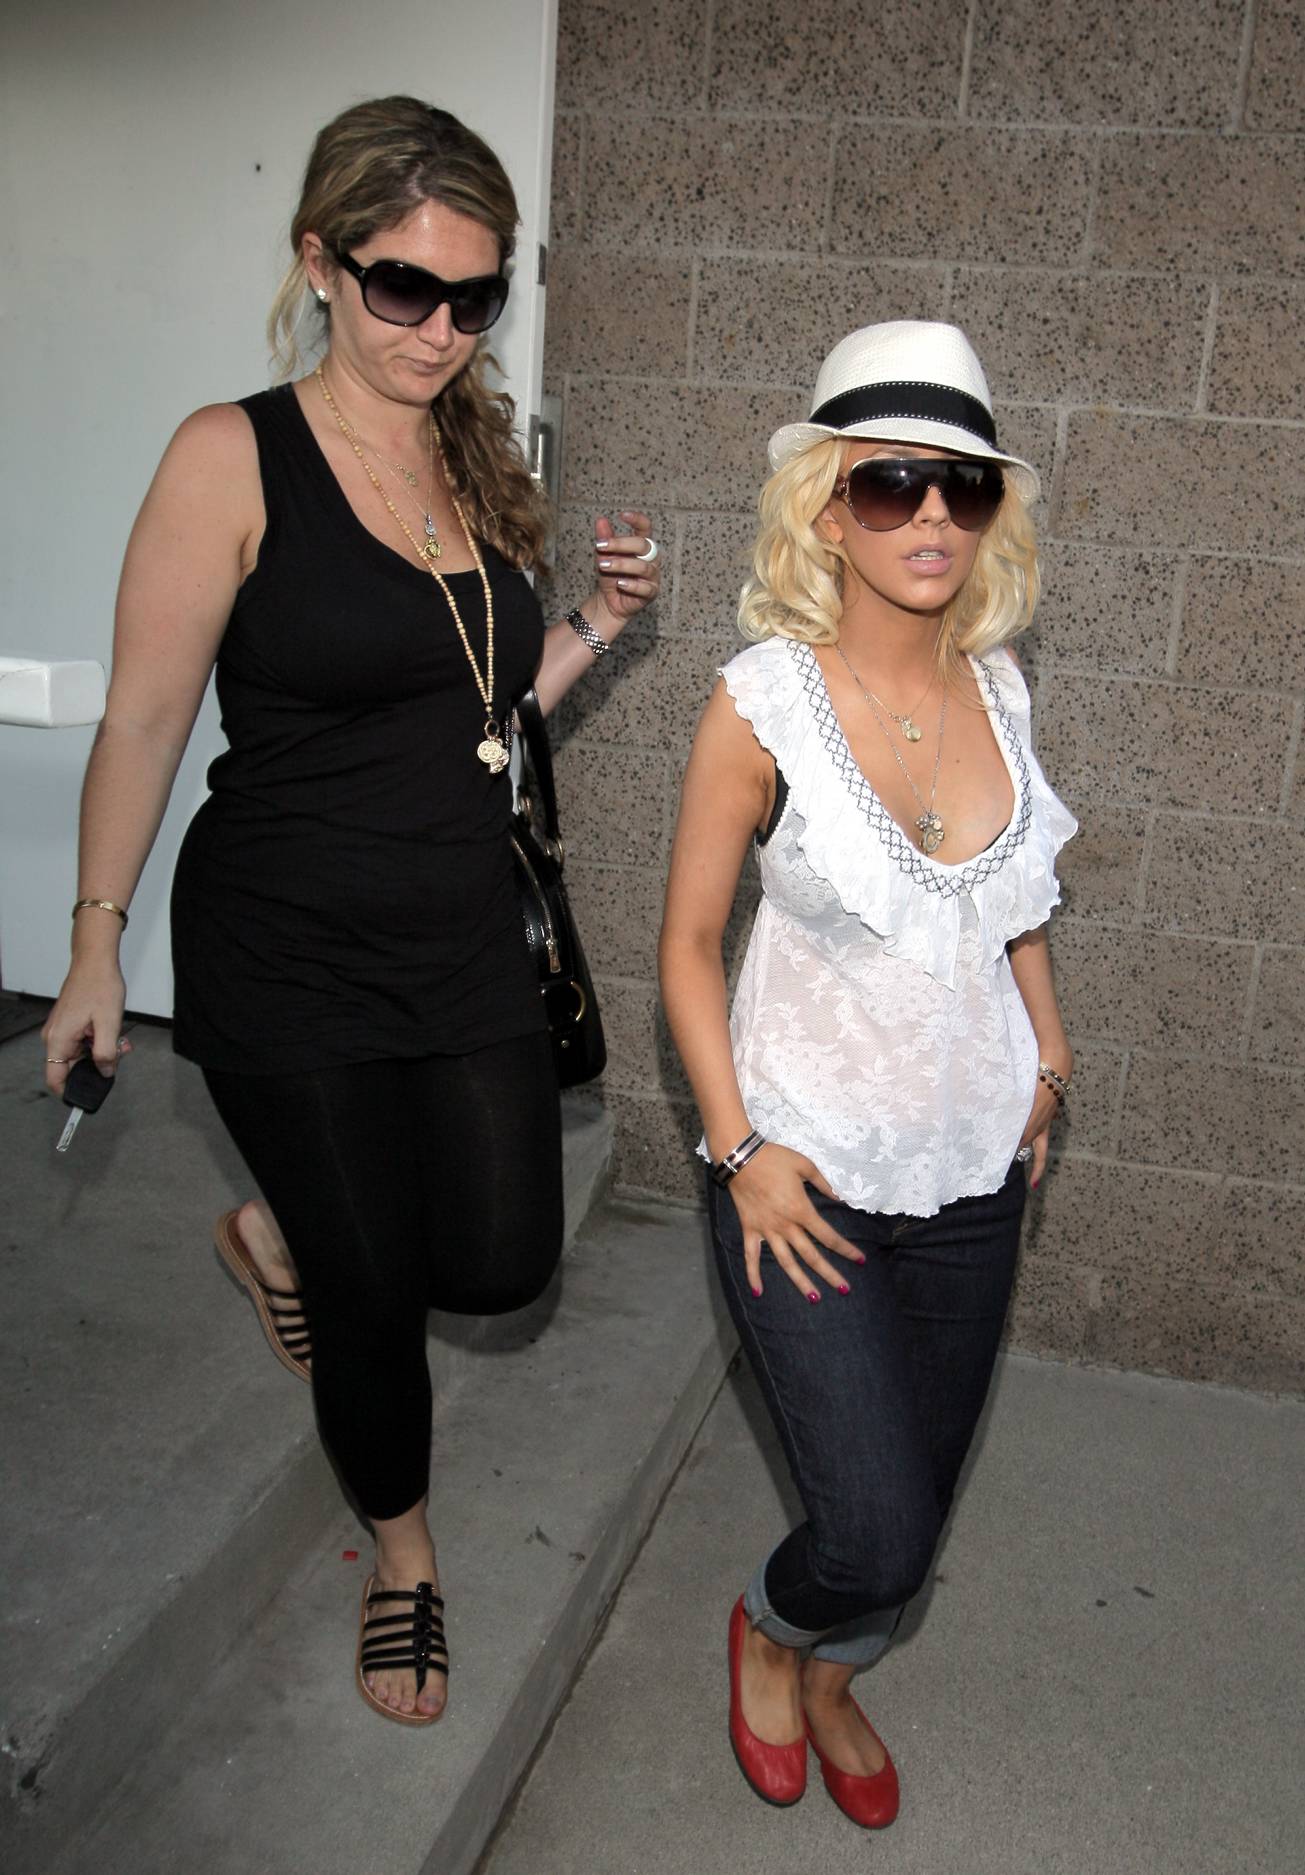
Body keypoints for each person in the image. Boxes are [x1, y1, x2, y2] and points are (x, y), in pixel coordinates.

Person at [41, 96, 661, 1728]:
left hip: (459, 933)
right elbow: (144, 720)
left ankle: (275, 1235)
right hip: (287, 943)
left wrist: (595, 623)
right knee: (374, 1297)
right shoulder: (229, 455)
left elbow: (475, 708)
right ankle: (403, 1555)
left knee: (501, 1260)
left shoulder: (474, 454)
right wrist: (95, 939)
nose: (441, 331)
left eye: (476, 298)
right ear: (320, 262)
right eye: (405, 288)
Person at [659, 321, 1075, 1827]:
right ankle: (773, 1631)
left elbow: (1009, 899)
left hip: (975, 1165)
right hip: (805, 1172)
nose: (930, 518)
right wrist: (737, 1152)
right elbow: (686, 946)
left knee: (922, 1502)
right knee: (874, 1525)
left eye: (964, 486)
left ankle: (834, 1676)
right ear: (827, 508)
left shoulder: (999, 688)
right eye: (892, 483)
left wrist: (1049, 1047)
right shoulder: (760, 705)